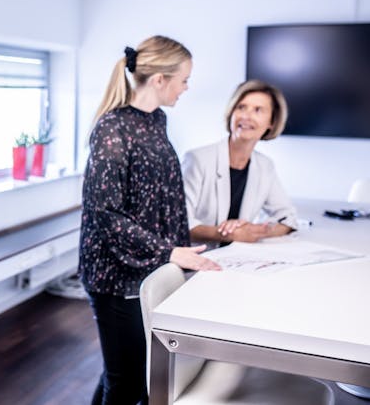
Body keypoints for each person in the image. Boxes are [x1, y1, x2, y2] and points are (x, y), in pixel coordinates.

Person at [79, 35, 221, 405]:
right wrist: (170, 252)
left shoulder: (156, 119)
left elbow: (164, 197)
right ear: (160, 79)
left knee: (125, 368)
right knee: (127, 382)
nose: (187, 88)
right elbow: (104, 213)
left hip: (148, 268)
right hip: (115, 277)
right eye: (184, 79)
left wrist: (180, 253)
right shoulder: (112, 129)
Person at [182, 79, 297, 248]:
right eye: (241, 107)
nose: (246, 116)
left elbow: (288, 218)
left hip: (237, 260)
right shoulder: (198, 159)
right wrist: (226, 233)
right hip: (197, 260)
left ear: (271, 122)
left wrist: (255, 231)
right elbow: (179, 224)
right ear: (231, 113)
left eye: (258, 110)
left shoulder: (265, 166)